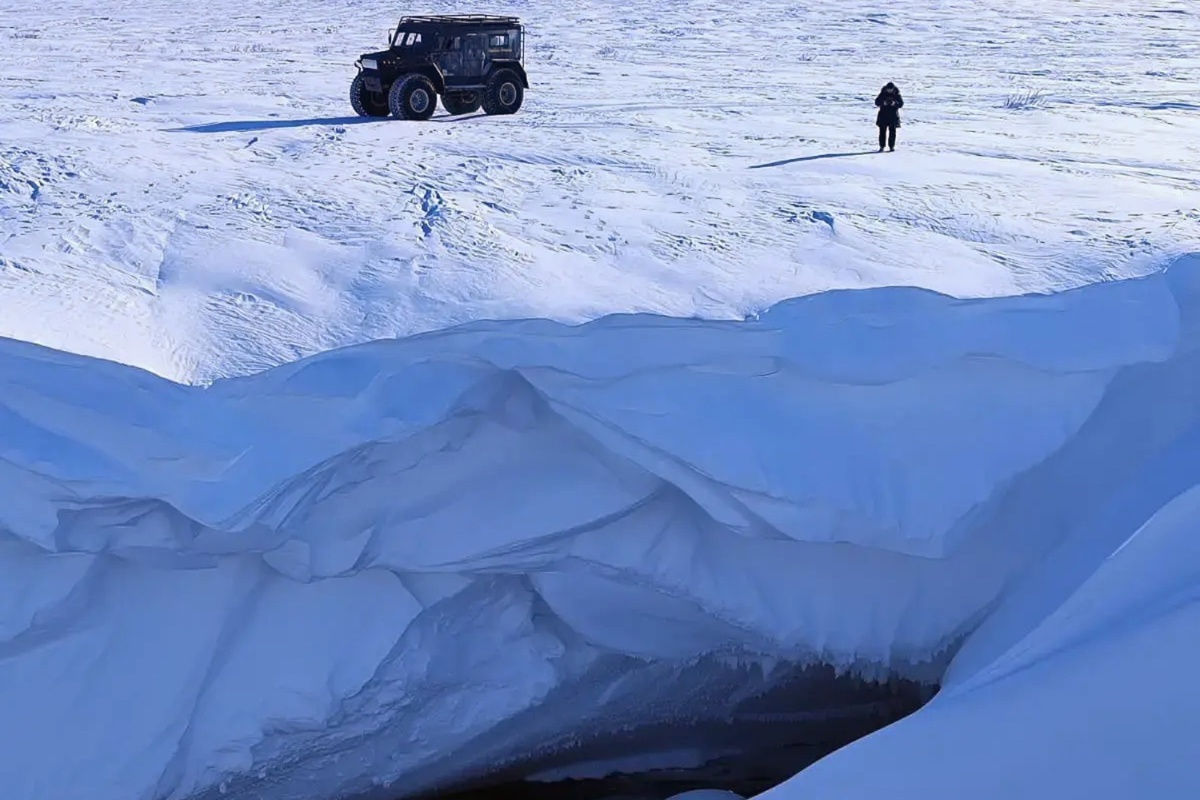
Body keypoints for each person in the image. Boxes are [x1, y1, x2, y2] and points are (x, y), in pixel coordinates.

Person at [875, 82, 904, 152]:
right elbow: (877, 102)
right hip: (883, 115)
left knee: (892, 132)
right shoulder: (882, 93)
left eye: (891, 89)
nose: (889, 91)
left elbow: (901, 104)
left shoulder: (897, 94)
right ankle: (882, 146)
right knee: (882, 132)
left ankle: (891, 146)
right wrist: (883, 103)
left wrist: (894, 103)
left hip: (893, 116)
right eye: (888, 89)